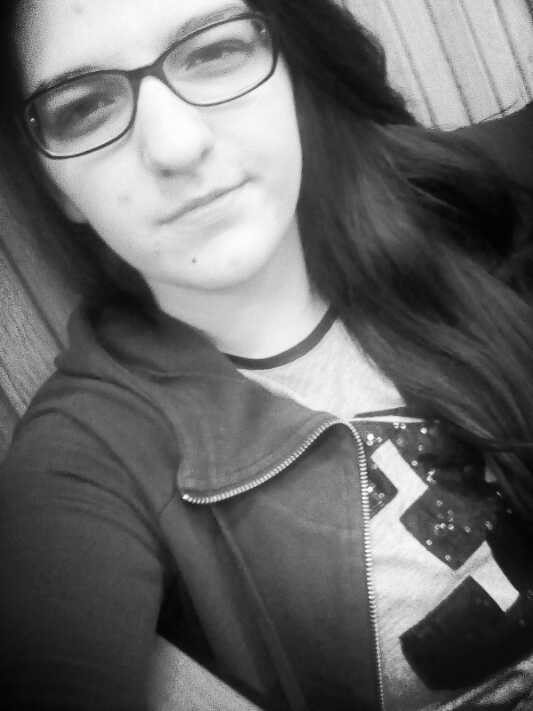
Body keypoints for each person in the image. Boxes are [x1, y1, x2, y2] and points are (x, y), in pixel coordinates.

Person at [1, 1, 532, 710]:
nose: (176, 145)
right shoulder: (87, 453)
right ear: (56, 188)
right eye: (86, 107)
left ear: (289, 72)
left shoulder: (463, 211)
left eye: (213, 52)